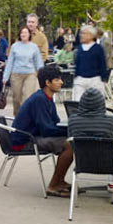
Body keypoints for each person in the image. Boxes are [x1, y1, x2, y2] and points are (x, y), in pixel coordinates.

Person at [9, 63, 76, 197]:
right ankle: (53, 186)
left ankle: (60, 181)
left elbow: (55, 123)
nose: (61, 82)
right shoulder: (39, 100)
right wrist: (69, 131)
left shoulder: (47, 98)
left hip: (34, 135)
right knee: (70, 146)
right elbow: (46, 130)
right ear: (48, 82)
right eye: (57, 80)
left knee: (71, 140)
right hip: (24, 141)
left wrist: (71, 129)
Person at [3, 25, 43, 114]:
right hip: (16, 74)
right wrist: (5, 76)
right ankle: (17, 116)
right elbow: (10, 62)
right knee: (17, 98)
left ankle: (26, 118)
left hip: (30, 74)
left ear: (29, 34)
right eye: (21, 32)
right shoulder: (14, 46)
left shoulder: (34, 47)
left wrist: (42, 76)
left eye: (25, 32)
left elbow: (39, 62)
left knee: (27, 98)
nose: (23, 34)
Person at [72, 23, 110, 102]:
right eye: (81, 33)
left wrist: (103, 78)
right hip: (81, 80)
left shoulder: (98, 48)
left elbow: (102, 64)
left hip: (95, 80)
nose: (81, 35)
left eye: (84, 33)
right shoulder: (79, 49)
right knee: (78, 101)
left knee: (96, 102)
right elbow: (77, 64)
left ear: (91, 35)